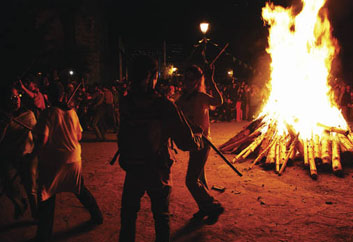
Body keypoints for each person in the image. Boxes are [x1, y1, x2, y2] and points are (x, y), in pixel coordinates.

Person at [118, 55, 203, 242]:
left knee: (128, 217)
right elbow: (185, 142)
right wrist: (197, 138)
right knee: (161, 217)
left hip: (132, 168)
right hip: (157, 170)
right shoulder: (164, 105)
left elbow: (122, 135)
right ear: (152, 75)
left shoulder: (125, 102)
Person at [32, 82, 103, 242]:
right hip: (73, 158)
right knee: (79, 189)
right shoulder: (72, 112)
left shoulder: (48, 113)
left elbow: (42, 139)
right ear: (63, 95)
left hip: (53, 161)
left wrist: (32, 155)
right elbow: (79, 136)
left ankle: (43, 235)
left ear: (48, 97)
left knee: (47, 195)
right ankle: (97, 216)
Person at [176, 64, 224, 224]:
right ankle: (204, 208)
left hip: (203, 142)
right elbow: (176, 116)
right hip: (191, 142)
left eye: (192, 79)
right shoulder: (182, 99)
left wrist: (211, 80)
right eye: (186, 78)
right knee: (199, 178)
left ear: (198, 81)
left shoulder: (201, 97)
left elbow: (218, 101)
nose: (188, 82)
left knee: (191, 180)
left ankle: (212, 206)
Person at [0, 83, 37, 219]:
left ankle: (36, 214)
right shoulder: (3, 118)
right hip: (8, 156)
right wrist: (4, 125)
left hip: (27, 155)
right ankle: (20, 204)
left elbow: (38, 134)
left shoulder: (28, 115)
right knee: (9, 185)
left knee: (31, 188)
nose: (16, 100)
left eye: (18, 96)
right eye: (12, 98)